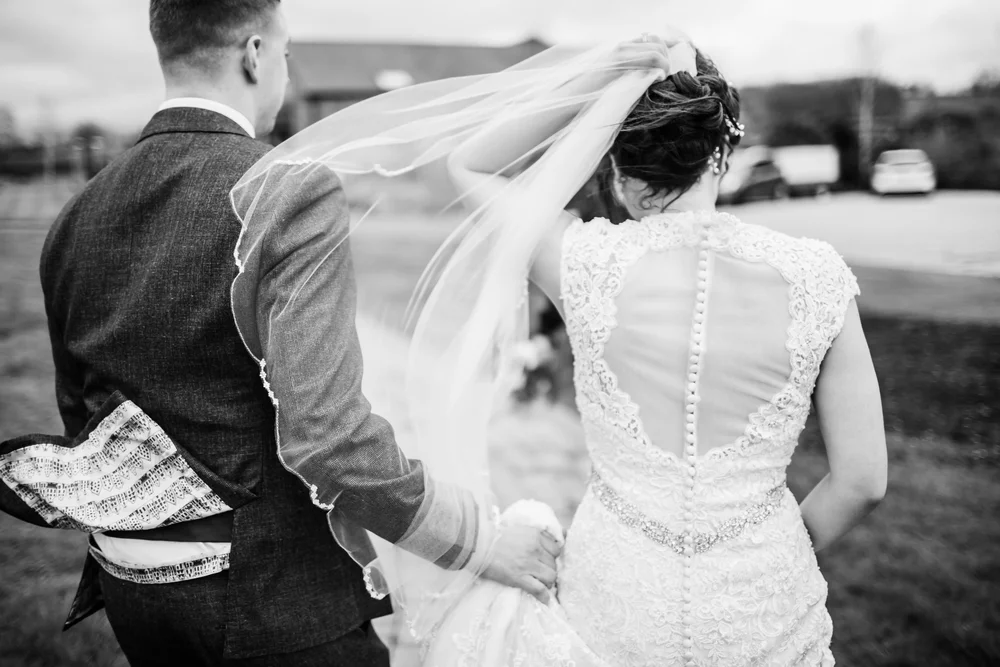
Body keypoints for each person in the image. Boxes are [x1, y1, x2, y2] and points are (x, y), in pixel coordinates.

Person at [0, 1, 558, 665]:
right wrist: (479, 542)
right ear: (255, 54)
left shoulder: (76, 215)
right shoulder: (289, 191)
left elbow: (85, 419)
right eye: (286, 57)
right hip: (273, 608)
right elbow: (330, 437)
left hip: (131, 592)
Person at [444, 34, 889, 665]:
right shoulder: (818, 277)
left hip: (616, 599)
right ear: (721, 151)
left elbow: (471, 165)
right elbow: (864, 480)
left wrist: (603, 77)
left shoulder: (584, 263)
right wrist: (776, 553)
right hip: (766, 608)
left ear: (623, 173)